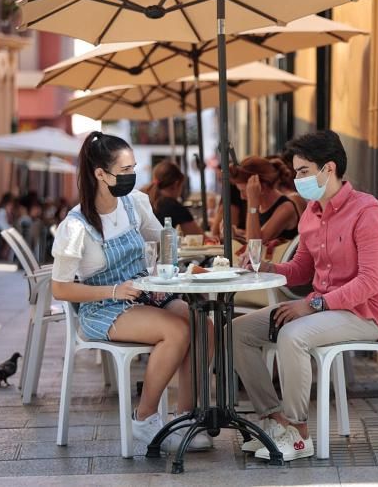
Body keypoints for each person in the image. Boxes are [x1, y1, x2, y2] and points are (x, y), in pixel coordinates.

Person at [232, 130, 378, 461]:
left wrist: (313, 304)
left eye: (303, 171)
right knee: (236, 331)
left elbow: (370, 282)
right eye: (296, 172)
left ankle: (299, 433)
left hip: (362, 315)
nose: (297, 179)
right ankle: (275, 421)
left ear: (328, 169)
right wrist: (265, 267)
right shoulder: (311, 213)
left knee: (292, 334)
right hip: (322, 310)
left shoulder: (368, 212)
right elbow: (301, 270)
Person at [50, 131, 211, 450]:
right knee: (176, 333)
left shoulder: (135, 203)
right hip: (103, 307)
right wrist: (112, 291)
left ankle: (185, 417)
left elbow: (162, 239)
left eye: (133, 168)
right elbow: (60, 288)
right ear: (100, 173)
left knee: (202, 327)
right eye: (125, 170)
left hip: (146, 294)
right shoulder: (76, 226)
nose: (132, 176)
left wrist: (173, 263)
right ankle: (145, 420)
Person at [230, 156, 300, 243]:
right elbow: (255, 235)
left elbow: (255, 244)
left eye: (245, 191)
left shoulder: (286, 208)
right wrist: (237, 234)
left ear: (261, 186)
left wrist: (252, 202)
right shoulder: (260, 207)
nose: (242, 197)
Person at [147, 160, 203, 236]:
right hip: (161, 247)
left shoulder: (145, 197)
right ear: (176, 184)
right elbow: (198, 237)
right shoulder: (173, 205)